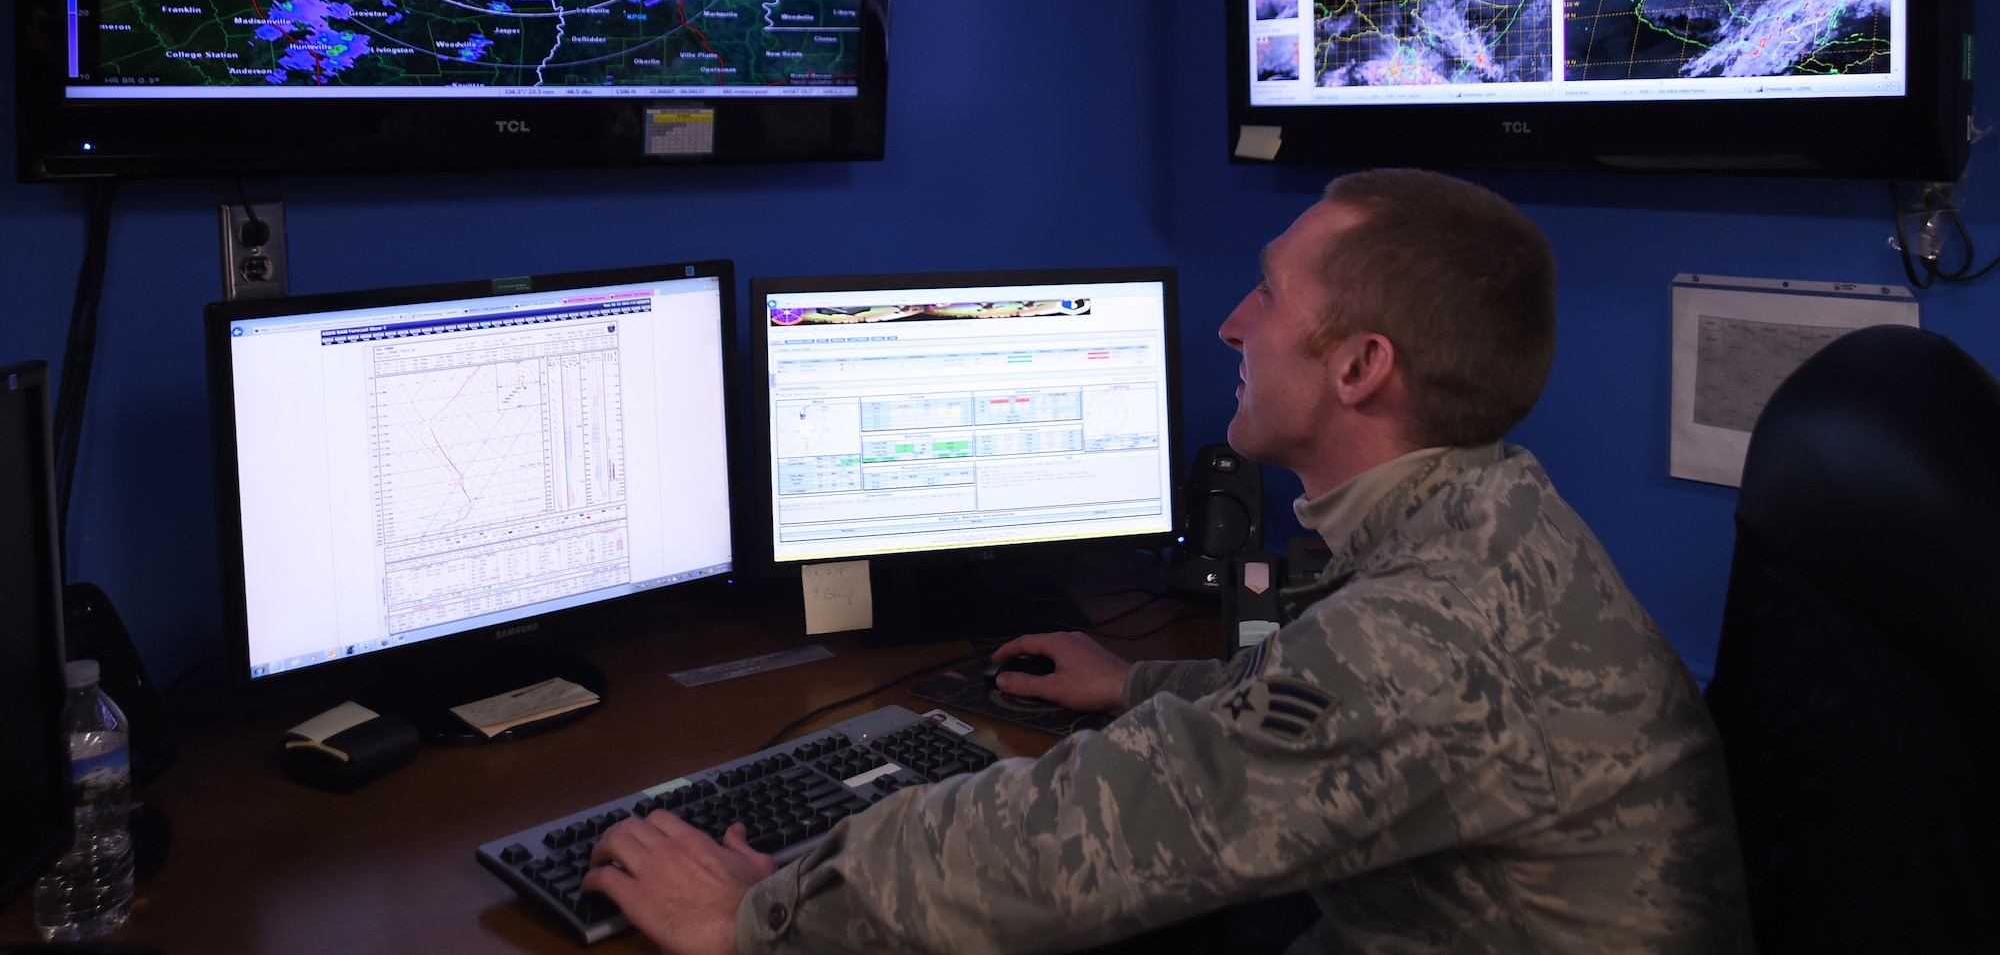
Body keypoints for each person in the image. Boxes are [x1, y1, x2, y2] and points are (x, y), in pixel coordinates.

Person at [583, 169, 1753, 954]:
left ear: (1358, 369)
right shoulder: (1489, 508)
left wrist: (758, 915)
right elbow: (1314, 710)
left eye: (1268, 293)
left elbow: (1069, 839)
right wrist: (1139, 683)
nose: (1232, 325)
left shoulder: (1420, 632)